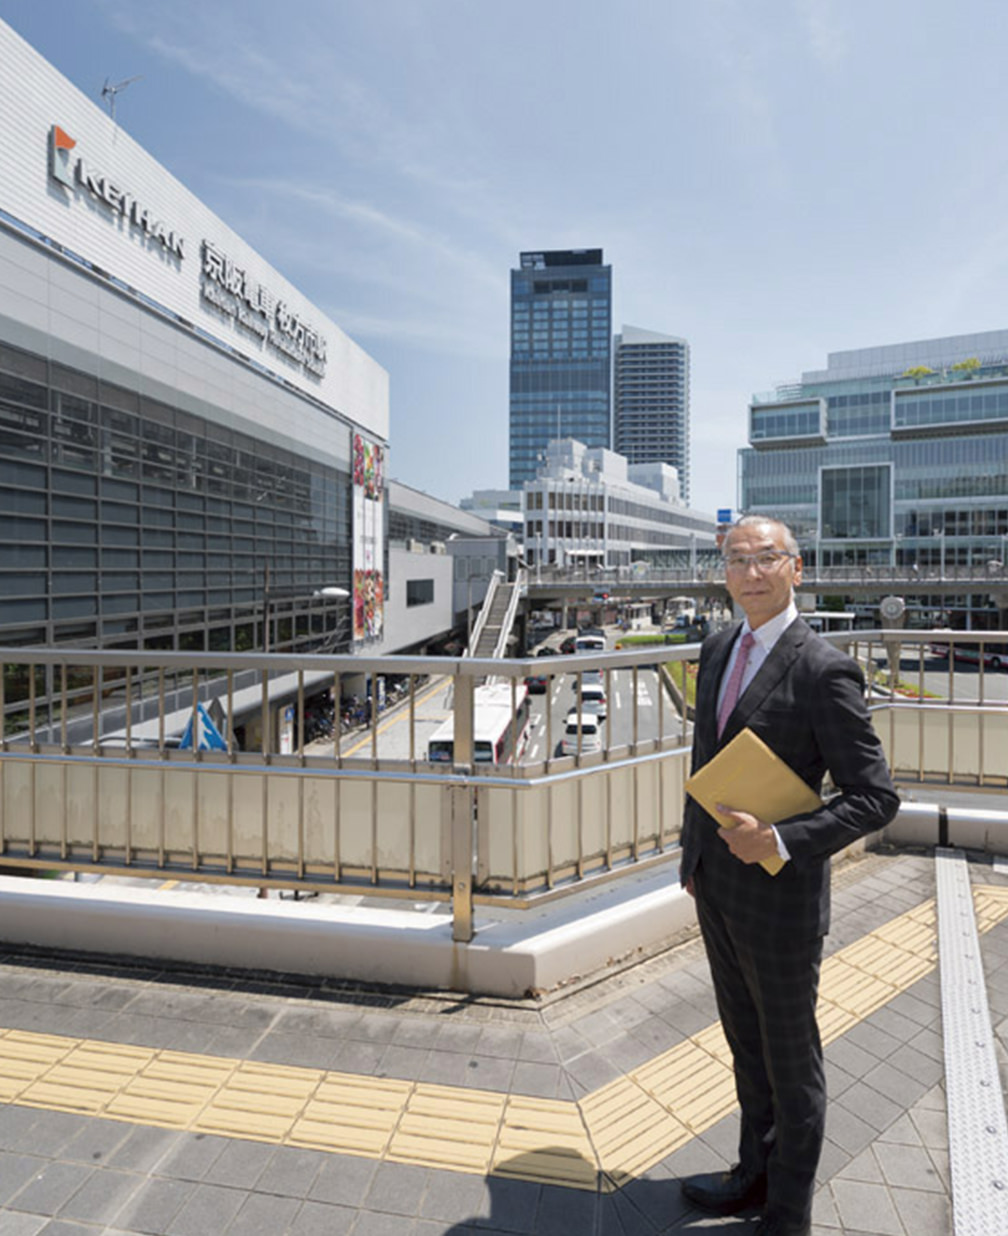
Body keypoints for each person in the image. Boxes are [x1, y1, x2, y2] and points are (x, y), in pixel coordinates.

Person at [678, 515, 899, 1236]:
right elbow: (704, 761)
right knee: (745, 1045)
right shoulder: (716, 648)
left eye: (765, 558)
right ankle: (751, 1175)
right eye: (735, 559)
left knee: (791, 1059)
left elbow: (875, 798)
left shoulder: (821, 667)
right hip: (718, 885)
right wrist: (695, 861)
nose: (748, 571)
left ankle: (787, 1212)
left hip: (781, 900)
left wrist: (778, 837)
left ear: (796, 569)